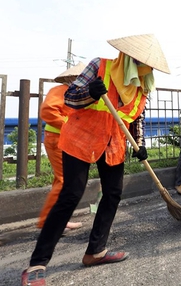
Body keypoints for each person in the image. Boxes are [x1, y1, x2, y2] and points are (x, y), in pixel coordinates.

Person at [21, 34, 171, 286]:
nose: (146, 69)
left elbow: (136, 118)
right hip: (80, 140)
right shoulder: (100, 66)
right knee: (71, 194)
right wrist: (90, 92)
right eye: (141, 63)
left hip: (112, 145)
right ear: (128, 58)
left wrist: (141, 145)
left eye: (149, 66)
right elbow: (70, 97)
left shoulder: (142, 85)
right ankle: (37, 263)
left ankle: (95, 252)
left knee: (113, 194)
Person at [37, 62, 85, 233]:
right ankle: (49, 222)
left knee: (61, 179)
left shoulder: (71, 92)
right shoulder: (61, 90)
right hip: (58, 138)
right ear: (73, 78)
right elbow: (48, 111)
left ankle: (57, 219)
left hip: (62, 138)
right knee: (65, 180)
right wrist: (69, 125)